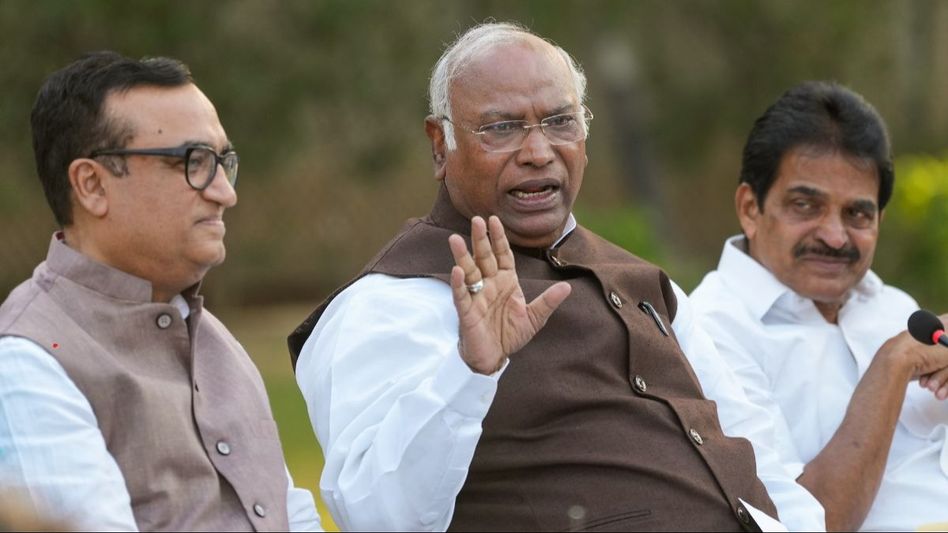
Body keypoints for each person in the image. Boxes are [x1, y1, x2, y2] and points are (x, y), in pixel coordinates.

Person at [289, 22, 824, 531]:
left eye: (560, 122)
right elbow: (376, 517)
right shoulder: (388, 303)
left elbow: (760, 454)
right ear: (439, 145)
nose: (539, 152)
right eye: (502, 128)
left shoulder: (644, 282)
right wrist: (470, 373)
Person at [0, 51, 322, 531]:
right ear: (91, 184)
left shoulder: (215, 342)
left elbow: (289, 514)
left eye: (223, 162)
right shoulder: (29, 362)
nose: (224, 192)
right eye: (192, 162)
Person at [690, 81, 948, 531]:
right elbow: (806, 523)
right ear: (750, 207)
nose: (835, 236)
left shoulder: (892, 307)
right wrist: (893, 364)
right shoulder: (710, 333)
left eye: (858, 214)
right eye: (806, 205)